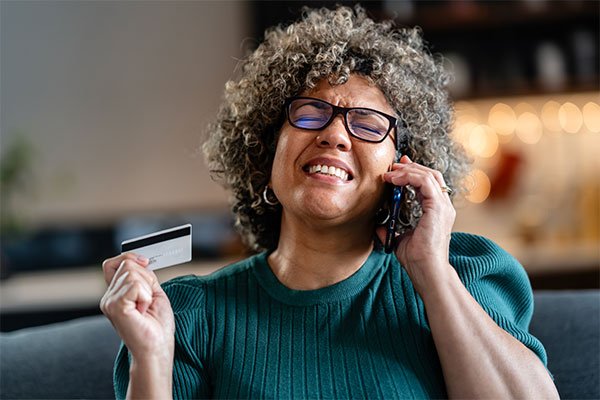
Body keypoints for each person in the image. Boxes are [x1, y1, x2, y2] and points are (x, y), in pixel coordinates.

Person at [100, 6, 558, 399]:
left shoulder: (465, 275)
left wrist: (433, 275)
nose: (334, 134)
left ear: (403, 166)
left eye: (366, 122)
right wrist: (151, 360)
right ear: (267, 147)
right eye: (310, 112)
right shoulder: (190, 316)